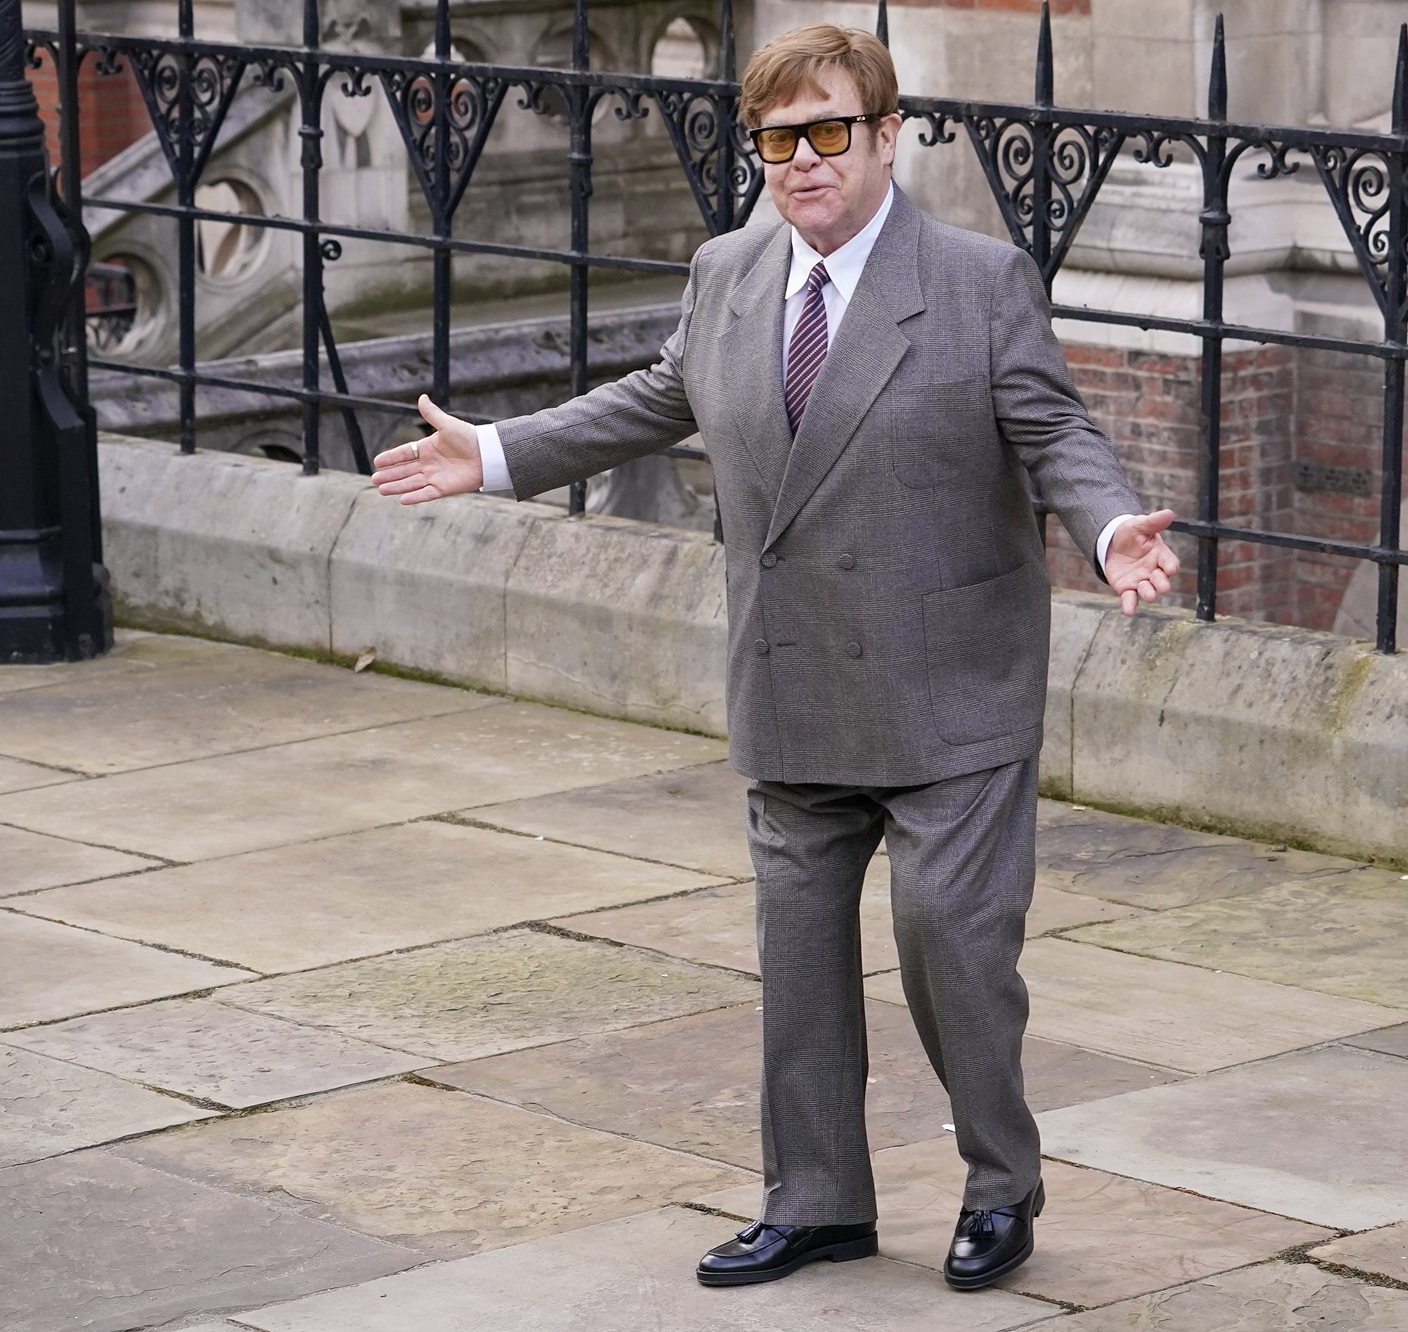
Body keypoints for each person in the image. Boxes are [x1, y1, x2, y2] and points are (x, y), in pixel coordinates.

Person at [369, 23, 1179, 1292]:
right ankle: (813, 1201)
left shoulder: (974, 281)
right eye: (776, 139)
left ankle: (999, 1184)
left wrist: (1109, 524)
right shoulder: (729, 270)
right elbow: (654, 396)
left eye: (827, 133)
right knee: (798, 958)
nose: (801, 162)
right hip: (791, 676)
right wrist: (499, 452)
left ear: (885, 134)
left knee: (947, 940)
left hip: (948, 681)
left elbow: (1055, 428)